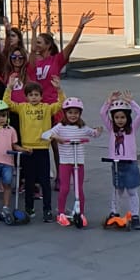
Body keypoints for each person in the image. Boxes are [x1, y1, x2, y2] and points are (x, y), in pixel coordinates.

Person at [44, 98, 102, 229]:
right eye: (70, 112)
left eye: (76, 112)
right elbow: (45, 134)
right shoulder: (60, 127)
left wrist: (98, 131)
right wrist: (56, 137)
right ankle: (61, 213)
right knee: (64, 188)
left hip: (79, 162)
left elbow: (93, 133)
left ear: (80, 114)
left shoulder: (81, 127)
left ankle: (80, 213)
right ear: (65, 113)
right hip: (65, 162)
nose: (73, 115)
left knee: (79, 189)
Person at [7, 81, 59, 222]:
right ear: (26, 97)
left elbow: (61, 105)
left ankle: (47, 209)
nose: (34, 97)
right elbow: (8, 103)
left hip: (42, 149)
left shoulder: (47, 108)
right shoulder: (22, 108)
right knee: (29, 181)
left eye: (36, 95)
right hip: (27, 149)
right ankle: (29, 208)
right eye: (31, 95)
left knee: (44, 182)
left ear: (41, 96)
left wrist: (59, 89)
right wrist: (9, 88)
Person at [101, 91, 140, 230]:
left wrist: (131, 102)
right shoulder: (112, 129)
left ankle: (135, 215)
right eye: (116, 117)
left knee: (132, 191)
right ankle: (114, 212)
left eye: (123, 117)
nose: (119, 120)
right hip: (116, 164)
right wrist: (109, 102)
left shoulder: (131, 129)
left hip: (130, 164)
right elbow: (102, 113)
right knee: (117, 190)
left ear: (128, 118)